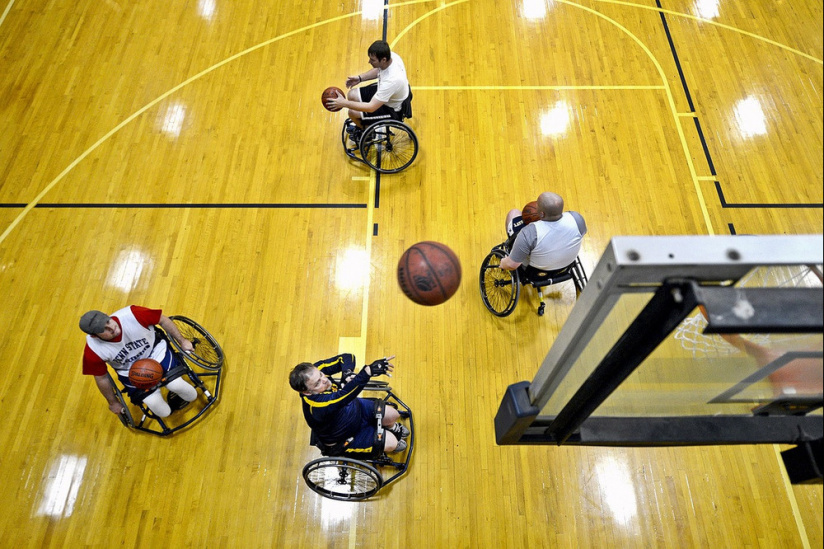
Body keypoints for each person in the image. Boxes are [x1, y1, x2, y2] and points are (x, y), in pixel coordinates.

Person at [80, 306, 198, 418]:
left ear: (107, 315)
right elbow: (101, 378)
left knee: (182, 389)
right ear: (94, 336)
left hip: (156, 353)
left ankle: (179, 389)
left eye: (108, 322)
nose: (111, 328)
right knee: (162, 411)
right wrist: (112, 402)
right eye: (104, 330)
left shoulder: (132, 314)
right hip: (131, 371)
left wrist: (183, 341)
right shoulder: (93, 350)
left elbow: (162, 320)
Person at [289, 353, 410, 455]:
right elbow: (343, 396)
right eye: (317, 384)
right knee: (392, 443)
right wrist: (368, 372)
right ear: (306, 392)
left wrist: (347, 373)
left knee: (393, 414)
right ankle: (389, 441)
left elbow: (346, 357)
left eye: (321, 374)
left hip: (354, 409)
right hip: (345, 437)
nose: (324, 380)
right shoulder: (316, 405)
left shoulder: (314, 372)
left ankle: (392, 428)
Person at [325, 40, 410, 130]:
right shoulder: (391, 56)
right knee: (352, 94)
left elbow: (371, 107)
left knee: (352, 113)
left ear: (383, 59)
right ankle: (364, 123)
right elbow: (379, 69)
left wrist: (344, 103)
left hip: (392, 109)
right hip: (389, 93)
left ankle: (366, 130)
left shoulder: (392, 80)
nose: (369, 62)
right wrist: (360, 78)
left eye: (372, 60)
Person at [500, 191, 587, 272]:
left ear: (542, 214)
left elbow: (512, 265)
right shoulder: (577, 219)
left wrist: (503, 263)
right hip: (566, 266)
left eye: (537, 205)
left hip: (536, 271)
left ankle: (515, 248)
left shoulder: (529, 233)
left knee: (514, 213)